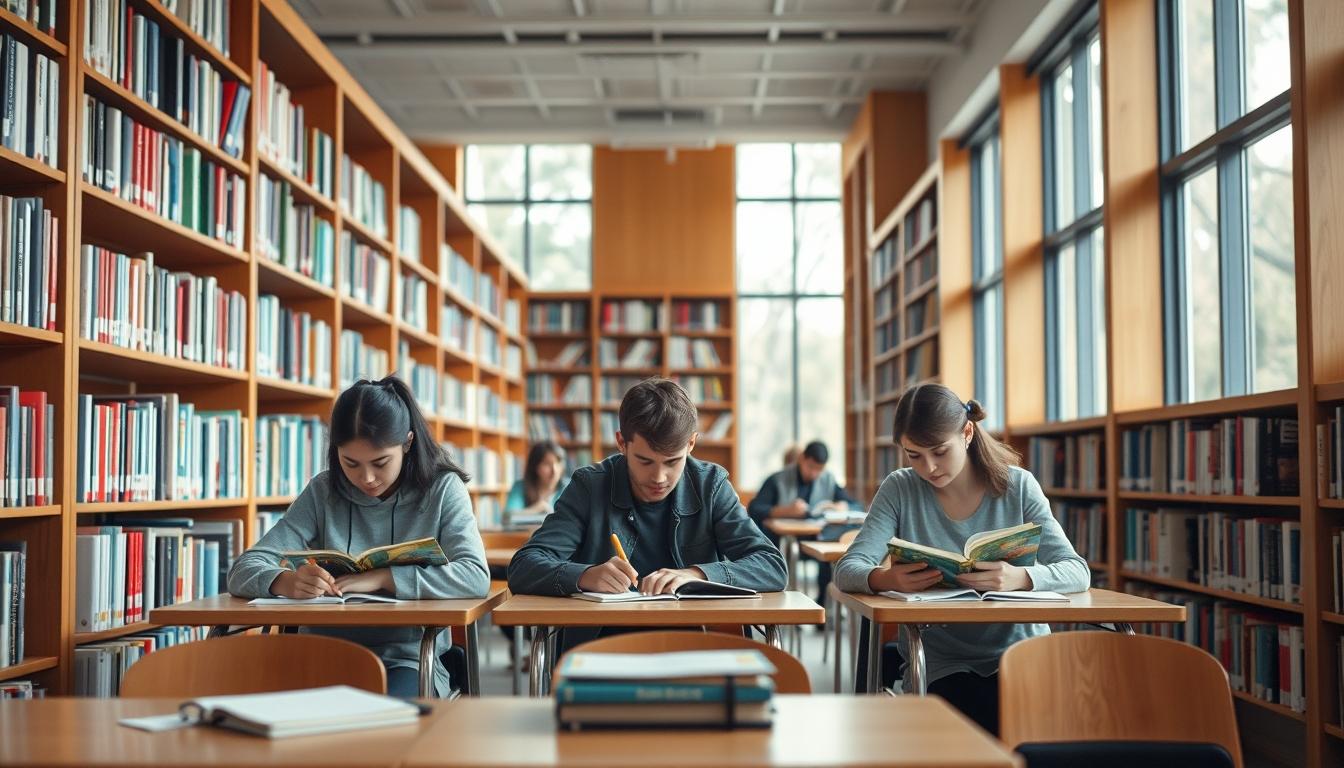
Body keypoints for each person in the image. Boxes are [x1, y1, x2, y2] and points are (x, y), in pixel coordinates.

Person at [834, 383, 1089, 735]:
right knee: (962, 732)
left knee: (1042, 728)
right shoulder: (900, 488)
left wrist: (1021, 578)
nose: (929, 467)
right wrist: (886, 579)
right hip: (940, 661)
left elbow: (1077, 571)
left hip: (1021, 652)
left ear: (967, 432)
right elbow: (847, 569)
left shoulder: (1018, 486)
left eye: (940, 451)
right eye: (914, 455)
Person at [227, 376, 490, 698]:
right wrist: (284, 581)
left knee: (380, 726)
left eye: (380, 463)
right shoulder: (323, 491)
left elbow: (475, 576)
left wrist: (383, 578)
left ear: (408, 443)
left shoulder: (442, 489)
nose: (366, 478)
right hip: (319, 656)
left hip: (405, 660)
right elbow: (244, 567)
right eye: (350, 463)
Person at [507, 377, 786, 645]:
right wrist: (584, 575)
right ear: (621, 443)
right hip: (604, 644)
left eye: (673, 462)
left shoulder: (711, 485)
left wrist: (696, 575)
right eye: (645, 461)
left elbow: (771, 566)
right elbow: (523, 567)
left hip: (697, 640)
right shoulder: (589, 486)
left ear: (690, 444)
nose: (659, 477)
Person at [747, 440, 860, 603]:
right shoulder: (778, 479)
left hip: (816, 537)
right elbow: (755, 508)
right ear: (802, 459)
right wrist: (786, 511)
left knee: (829, 550)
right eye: (811, 467)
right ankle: (780, 601)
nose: (814, 473)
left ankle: (823, 604)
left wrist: (843, 505)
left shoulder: (828, 479)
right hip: (784, 541)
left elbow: (855, 504)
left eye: (819, 470)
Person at [503, 441, 569, 526]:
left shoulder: (569, 486)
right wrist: (536, 509)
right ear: (535, 466)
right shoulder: (520, 487)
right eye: (547, 464)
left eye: (558, 463)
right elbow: (507, 517)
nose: (554, 470)